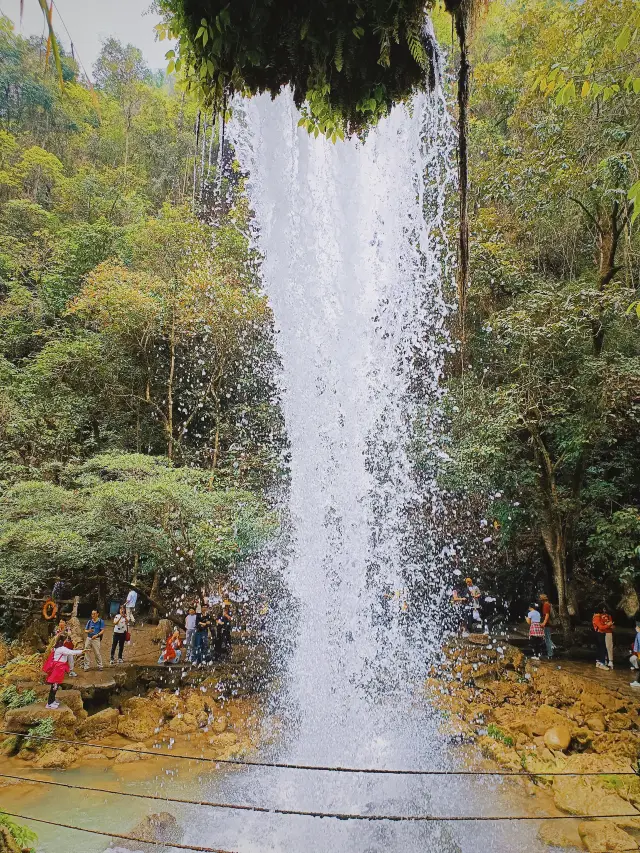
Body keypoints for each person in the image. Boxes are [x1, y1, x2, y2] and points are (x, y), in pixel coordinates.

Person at [43, 636, 84, 709]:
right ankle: (49, 703)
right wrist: (82, 651)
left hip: (59, 669)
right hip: (58, 669)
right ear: (63, 641)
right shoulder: (62, 649)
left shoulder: (57, 648)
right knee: (54, 686)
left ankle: (52, 701)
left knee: (55, 686)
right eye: (66, 639)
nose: (67, 641)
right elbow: (71, 652)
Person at [592, 604, 614, 670]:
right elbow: (601, 627)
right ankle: (602, 663)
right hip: (599, 634)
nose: (604, 611)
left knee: (600, 648)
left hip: (599, 633)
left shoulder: (597, 616)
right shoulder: (597, 617)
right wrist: (608, 625)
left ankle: (598, 662)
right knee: (602, 648)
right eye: (603, 609)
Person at [539, 593, 554, 660]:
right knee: (548, 638)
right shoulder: (549, 604)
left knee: (547, 639)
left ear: (542, 600)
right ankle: (550, 652)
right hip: (549, 624)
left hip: (547, 624)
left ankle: (550, 654)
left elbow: (547, 615)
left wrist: (544, 623)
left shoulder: (545, 605)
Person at [630, 622, 640, 688]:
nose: (635, 628)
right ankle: (637, 681)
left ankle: (637, 681)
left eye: (636, 627)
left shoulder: (639, 634)